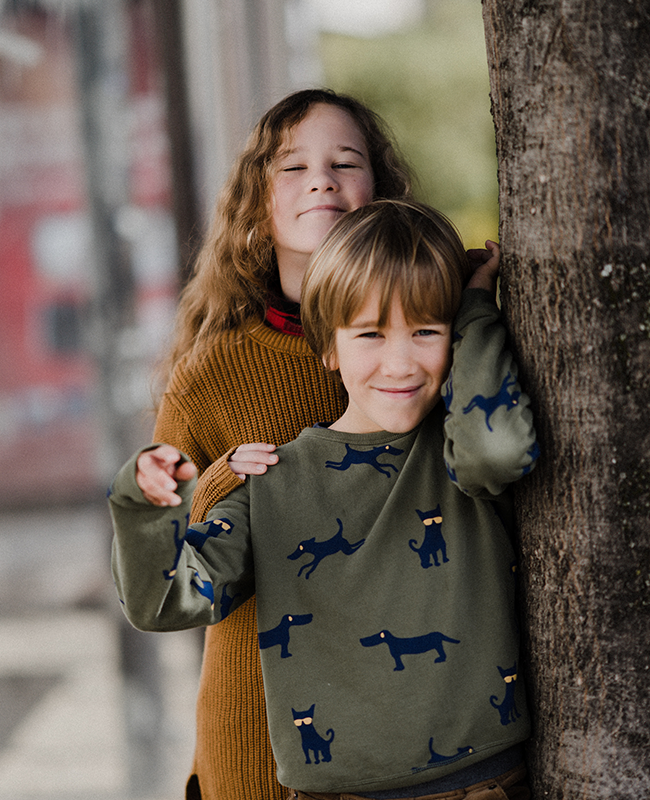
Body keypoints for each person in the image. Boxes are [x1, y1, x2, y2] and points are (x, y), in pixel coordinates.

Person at [112, 199, 539, 799]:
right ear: (329, 347)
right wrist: (143, 504)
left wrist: (474, 309)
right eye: (370, 333)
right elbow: (166, 602)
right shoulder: (271, 482)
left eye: (426, 330)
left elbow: (501, 449)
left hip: (483, 786)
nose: (400, 361)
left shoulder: (457, 450)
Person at [142, 89, 413, 800]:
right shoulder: (213, 371)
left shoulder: (424, 348)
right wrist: (223, 486)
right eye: (292, 167)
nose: (321, 179)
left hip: (405, 722)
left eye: (345, 163)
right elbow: (169, 572)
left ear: (379, 193)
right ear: (258, 206)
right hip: (257, 719)